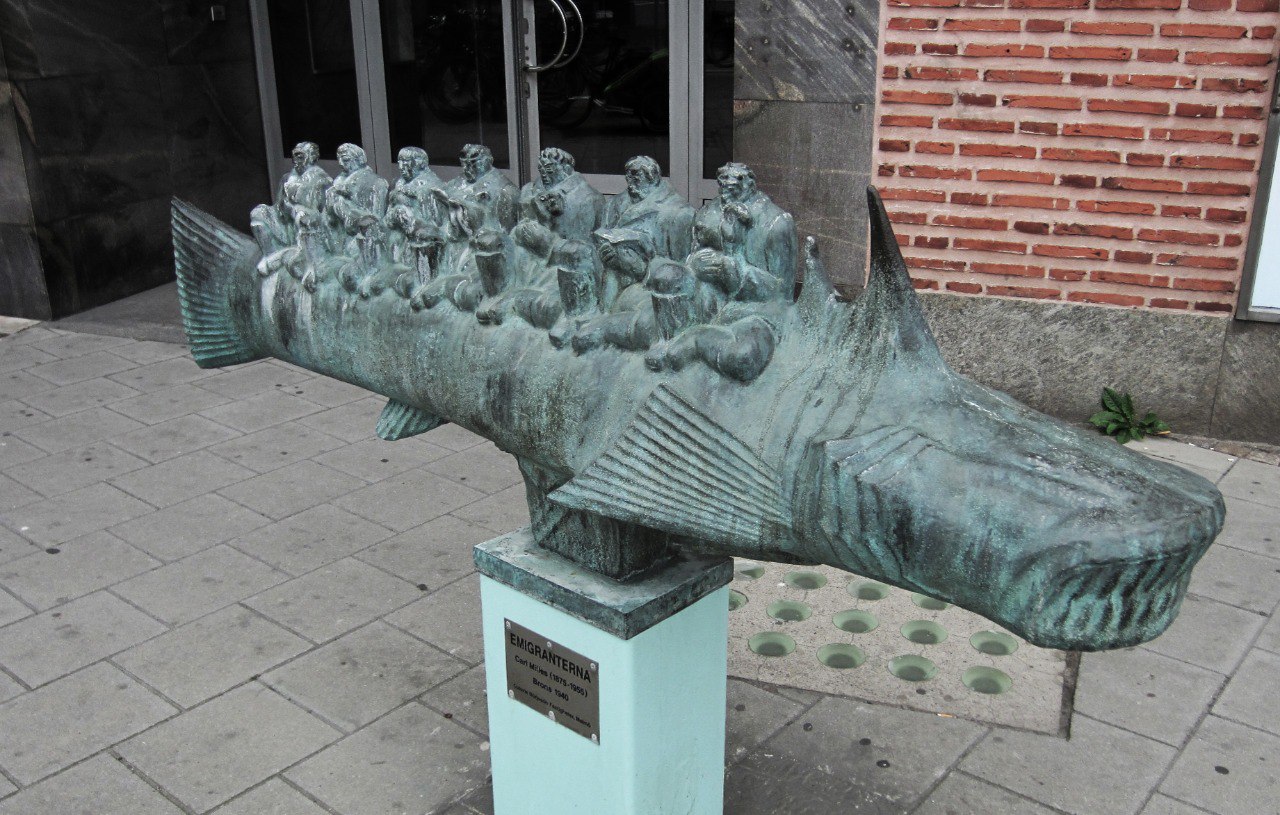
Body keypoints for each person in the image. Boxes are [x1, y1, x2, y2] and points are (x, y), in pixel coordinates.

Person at [688, 161, 797, 304]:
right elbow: (690, 257)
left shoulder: (777, 223)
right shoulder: (705, 214)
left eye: (736, 182)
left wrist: (732, 270)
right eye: (723, 182)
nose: (727, 186)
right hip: (708, 301)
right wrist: (693, 264)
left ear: (749, 185)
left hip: (756, 309)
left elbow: (783, 294)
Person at [601, 156, 694, 262]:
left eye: (635, 173)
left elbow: (680, 265)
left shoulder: (679, 213)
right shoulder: (612, 204)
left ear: (652, 177)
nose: (628, 177)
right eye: (627, 173)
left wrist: (646, 248)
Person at [251, 141, 331, 257]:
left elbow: (327, 212)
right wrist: (290, 208)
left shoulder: (323, 180)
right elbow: (279, 206)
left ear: (311, 157)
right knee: (258, 212)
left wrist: (303, 213)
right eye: (295, 156)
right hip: (287, 221)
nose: (296, 160)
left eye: (300, 156)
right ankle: (271, 255)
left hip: (309, 224)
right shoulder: (287, 178)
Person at [385, 146, 446, 282]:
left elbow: (434, 225)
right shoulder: (398, 183)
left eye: (406, 162)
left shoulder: (430, 187)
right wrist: (394, 215)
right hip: (399, 242)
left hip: (420, 247)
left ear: (420, 163)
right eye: (399, 161)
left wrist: (407, 219)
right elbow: (388, 218)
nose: (401, 166)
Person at [517, 148, 604, 242]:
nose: (544, 174)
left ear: (566, 169)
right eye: (541, 169)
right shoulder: (528, 191)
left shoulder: (590, 198)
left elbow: (585, 244)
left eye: (549, 169)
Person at [325, 143, 389, 257]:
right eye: (339, 159)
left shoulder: (376, 182)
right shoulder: (339, 181)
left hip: (364, 243)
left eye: (346, 160)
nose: (340, 163)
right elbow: (330, 219)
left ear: (360, 160)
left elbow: (377, 220)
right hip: (340, 241)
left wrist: (341, 205)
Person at [442, 144, 518, 233]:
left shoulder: (505, 190)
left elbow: (506, 231)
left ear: (487, 161)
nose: (467, 169)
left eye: (473, 163)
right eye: (464, 164)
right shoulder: (457, 183)